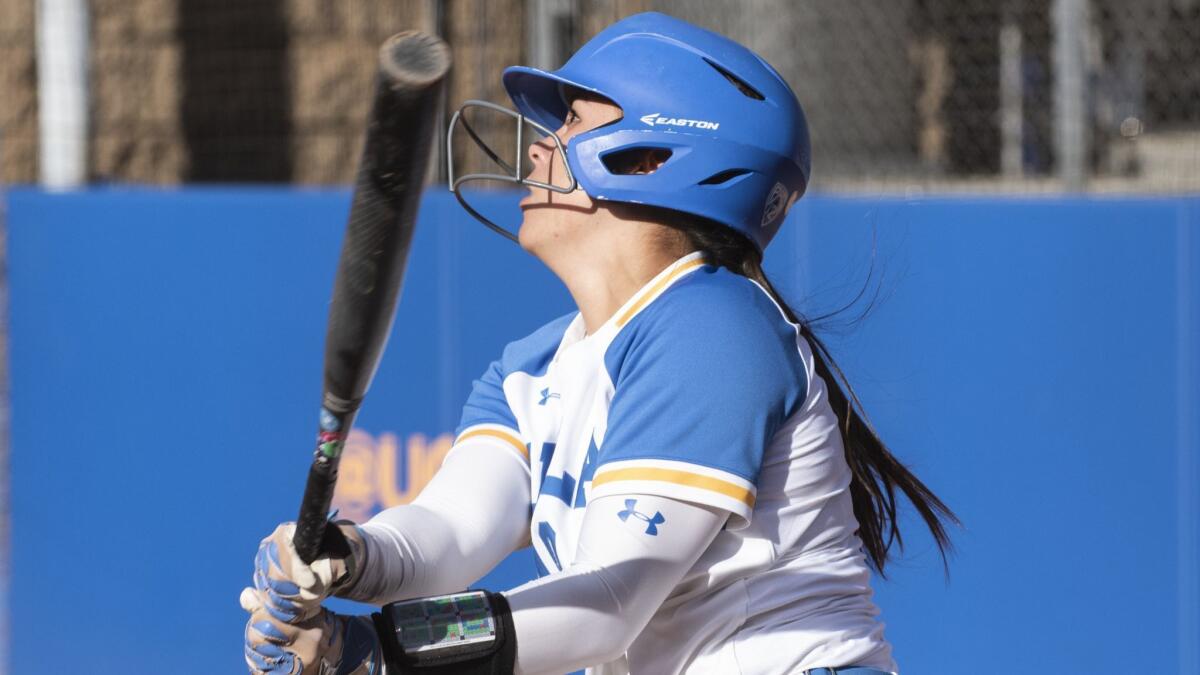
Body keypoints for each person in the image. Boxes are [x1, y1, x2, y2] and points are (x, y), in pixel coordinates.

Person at [242, 12, 957, 675]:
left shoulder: (712, 329)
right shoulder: (531, 367)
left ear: (652, 157)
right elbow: (452, 531)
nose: (538, 146)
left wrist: (376, 649)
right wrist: (348, 557)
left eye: (571, 121)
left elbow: (607, 606)